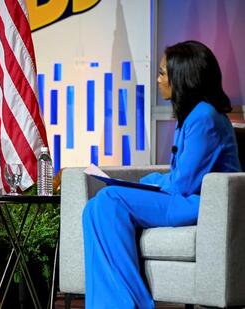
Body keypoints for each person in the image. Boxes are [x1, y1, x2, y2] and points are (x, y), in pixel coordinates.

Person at [82, 40, 241, 308]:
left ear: (182, 76)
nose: (158, 80)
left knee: (110, 199)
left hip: (198, 203)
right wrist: (145, 184)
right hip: (183, 198)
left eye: (162, 73)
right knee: (93, 207)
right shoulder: (193, 116)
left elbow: (182, 183)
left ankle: (128, 304)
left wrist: (147, 182)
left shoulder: (205, 117)